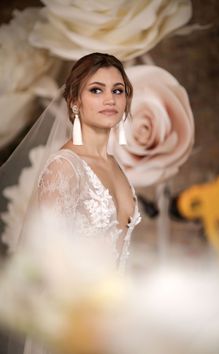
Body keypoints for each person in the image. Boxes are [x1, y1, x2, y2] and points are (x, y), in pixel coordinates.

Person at [1, 53, 141, 354]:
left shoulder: (117, 167)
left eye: (118, 90)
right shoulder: (65, 166)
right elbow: (48, 262)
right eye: (96, 89)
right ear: (75, 101)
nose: (110, 99)